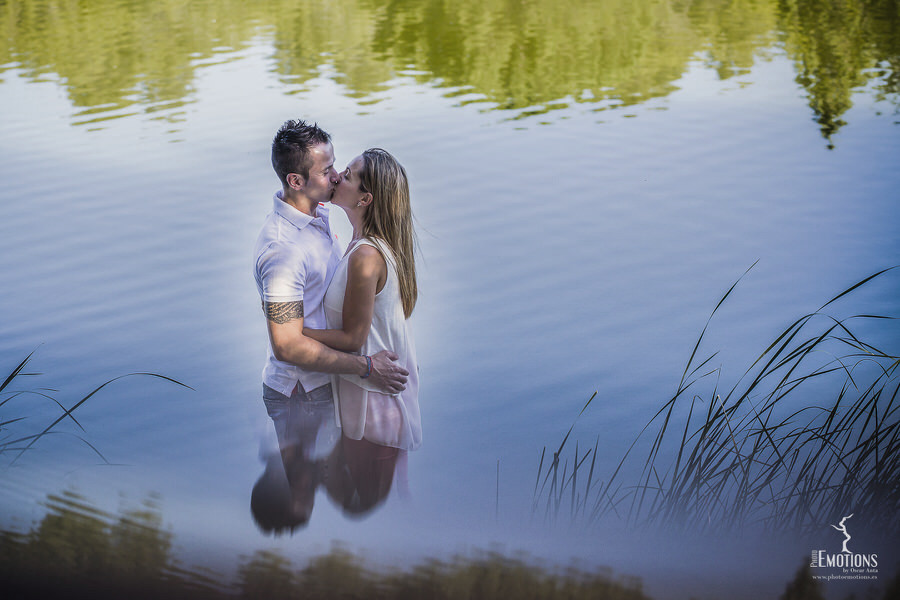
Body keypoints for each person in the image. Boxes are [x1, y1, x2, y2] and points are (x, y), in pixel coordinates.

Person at [254, 120, 409, 449]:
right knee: (299, 497)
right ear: (296, 180)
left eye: (336, 166)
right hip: (301, 393)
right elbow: (288, 346)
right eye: (327, 171)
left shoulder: (317, 216)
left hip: (324, 385)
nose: (337, 176)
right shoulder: (283, 250)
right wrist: (367, 367)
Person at [303, 148, 422, 452]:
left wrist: (294, 330)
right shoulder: (363, 246)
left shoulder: (366, 256)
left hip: (374, 411)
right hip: (369, 399)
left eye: (348, 175)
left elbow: (352, 337)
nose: (337, 176)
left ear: (364, 199)